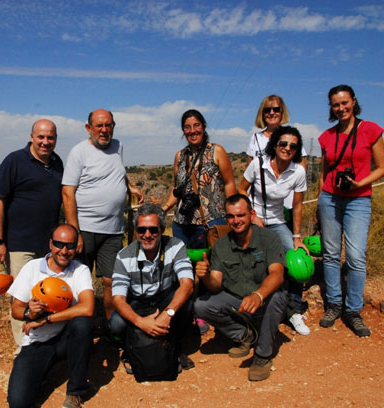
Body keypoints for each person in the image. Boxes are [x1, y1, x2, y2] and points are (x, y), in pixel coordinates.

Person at [316, 84, 384, 337]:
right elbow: (324, 171)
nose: (341, 108)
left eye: (344, 103)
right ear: (331, 108)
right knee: (331, 253)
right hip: (330, 198)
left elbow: (382, 167)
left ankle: (353, 310)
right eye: (336, 104)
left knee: (356, 256)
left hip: (358, 199)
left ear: (354, 102)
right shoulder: (327, 136)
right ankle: (334, 303)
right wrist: (319, 199)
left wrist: (360, 183)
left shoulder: (370, 130)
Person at [194, 194, 287, 382]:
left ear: (251, 214)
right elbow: (216, 285)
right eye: (231, 216)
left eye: (241, 215)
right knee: (201, 305)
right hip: (238, 302)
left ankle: (262, 355)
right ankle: (245, 334)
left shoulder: (269, 238)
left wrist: (258, 295)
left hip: (264, 298)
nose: (236, 221)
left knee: (278, 297)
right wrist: (204, 277)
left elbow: (277, 274)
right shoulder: (221, 245)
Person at [62, 108, 143, 320]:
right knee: (79, 281)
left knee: (111, 281)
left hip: (113, 230)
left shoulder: (118, 146)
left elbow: (116, 171)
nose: (104, 130)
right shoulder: (78, 152)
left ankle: (111, 326)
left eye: (108, 125)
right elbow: (67, 192)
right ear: (89, 128)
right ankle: (78, 328)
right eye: (99, 125)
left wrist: (129, 187)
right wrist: (74, 232)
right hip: (85, 230)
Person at [6, 224, 95, 408]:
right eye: (59, 244)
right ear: (50, 244)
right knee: (19, 403)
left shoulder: (80, 270)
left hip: (66, 336)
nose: (64, 251)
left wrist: (46, 318)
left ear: (76, 246)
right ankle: (43, 366)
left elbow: (88, 308)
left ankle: (75, 391)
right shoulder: (32, 268)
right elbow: (16, 310)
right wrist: (30, 313)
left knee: (83, 324)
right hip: (38, 341)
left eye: (70, 245)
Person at [0, 119, 64, 352]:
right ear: (32, 137)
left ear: (55, 139)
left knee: (46, 293)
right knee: (22, 296)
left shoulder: (57, 163)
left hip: (49, 245)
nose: (45, 142)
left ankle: (42, 337)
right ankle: (23, 346)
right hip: (19, 244)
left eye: (50, 137)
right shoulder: (14, 161)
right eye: (41, 137)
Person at [238, 125, 311, 335]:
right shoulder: (258, 164)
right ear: (275, 144)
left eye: (293, 146)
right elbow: (241, 188)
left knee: (298, 261)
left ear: (297, 150)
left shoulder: (298, 172)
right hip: (255, 220)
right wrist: (251, 216)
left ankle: (294, 311)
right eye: (283, 143)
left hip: (278, 222)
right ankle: (250, 311)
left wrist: (297, 238)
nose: (287, 148)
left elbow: (297, 205)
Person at [108, 203, 195, 370]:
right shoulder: (124, 256)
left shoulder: (176, 246)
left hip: (164, 297)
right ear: (136, 231)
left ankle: (175, 348)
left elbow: (187, 285)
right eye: (141, 230)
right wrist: (141, 322)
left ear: (162, 230)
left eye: (153, 230)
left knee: (186, 305)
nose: (147, 235)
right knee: (116, 323)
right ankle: (131, 346)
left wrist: (168, 313)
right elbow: (118, 299)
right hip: (138, 302)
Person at [162, 109, 236, 248]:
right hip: (182, 224)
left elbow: (229, 183)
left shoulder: (217, 151)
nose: (192, 131)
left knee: (212, 266)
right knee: (184, 266)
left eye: (196, 125)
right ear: (183, 131)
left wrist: (232, 215)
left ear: (203, 126)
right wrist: (163, 209)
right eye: (187, 127)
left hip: (211, 223)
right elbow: (176, 190)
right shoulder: (180, 156)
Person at [246, 95, 307, 217]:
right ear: (262, 113)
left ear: (282, 112)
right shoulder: (255, 138)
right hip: (260, 208)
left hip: (287, 203)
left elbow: (301, 169)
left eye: (276, 109)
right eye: (267, 110)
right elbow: (249, 171)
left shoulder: (291, 136)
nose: (271, 113)